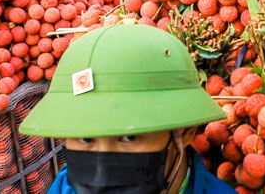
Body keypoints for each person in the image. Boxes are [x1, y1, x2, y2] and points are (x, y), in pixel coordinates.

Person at [19, 25, 236, 194]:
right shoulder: (64, 188)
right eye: (85, 138)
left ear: (186, 131)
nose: (100, 171)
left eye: (130, 137)